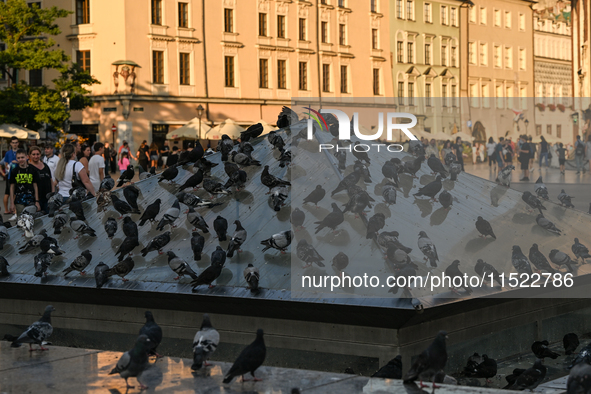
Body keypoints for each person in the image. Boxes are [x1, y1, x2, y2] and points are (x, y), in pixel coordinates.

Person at [9, 149, 40, 218]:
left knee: (31, 220)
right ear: (16, 159)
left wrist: (37, 201)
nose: (21, 159)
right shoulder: (14, 171)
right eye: (18, 158)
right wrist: (11, 203)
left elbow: (35, 186)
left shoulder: (32, 170)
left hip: (31, 200)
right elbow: (12, 187)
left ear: (27, 157)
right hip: (19, 201)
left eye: (22, 157)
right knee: (21, 220)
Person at [28, 146, 53, 214]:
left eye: (37, 154)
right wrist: (37, 201)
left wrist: (53, 194)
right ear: (29, 155)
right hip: (35, 199)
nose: (36, 156)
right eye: (33, 154)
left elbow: (51, 180)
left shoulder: (45, 166)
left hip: (48, 198)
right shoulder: (28, 168)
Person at [0, 137, 20, 214]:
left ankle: (14, 210)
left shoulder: (21, 151)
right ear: (11, 143)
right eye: (13, 142)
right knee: (8, 193)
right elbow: (5, 164)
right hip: (10, 176)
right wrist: (4, 172)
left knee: (14, 193)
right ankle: (7, 210)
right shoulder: (8, 153)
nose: (15, 144)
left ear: (18, 143)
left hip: (19, 175)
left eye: (16, 142)